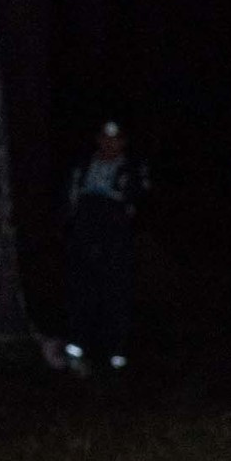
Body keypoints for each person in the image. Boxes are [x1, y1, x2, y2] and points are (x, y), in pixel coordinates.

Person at [61, 119, 147, 374]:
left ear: (123, 142)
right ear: (98, 140)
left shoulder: (133, 168)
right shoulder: (82, 165)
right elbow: (69, 198)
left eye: (115, 139)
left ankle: (116, 354)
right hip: (84, 233)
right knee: (82, 291)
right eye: (105, 138)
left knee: (115, 293)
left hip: (116, 236)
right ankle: (77, 350)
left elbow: (139, 201)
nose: (109, 144)